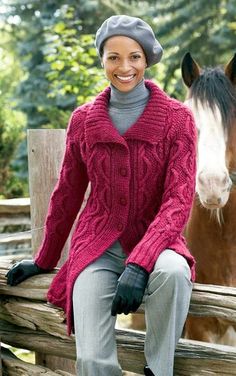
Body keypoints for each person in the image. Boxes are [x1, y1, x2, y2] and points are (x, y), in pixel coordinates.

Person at [6, 15, 197, 376]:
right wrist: (44, 259)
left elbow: (178, 201)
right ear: (103, 60)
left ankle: (158, 369)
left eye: (134, 57)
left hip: (159, 244)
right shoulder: (83, 120)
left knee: (173, 273)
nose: (124, 67)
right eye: (113, 57)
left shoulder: (178, 119)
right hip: (98, 246)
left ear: (148, 60)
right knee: (92, 359)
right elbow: (67, 194)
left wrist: (140, 263)